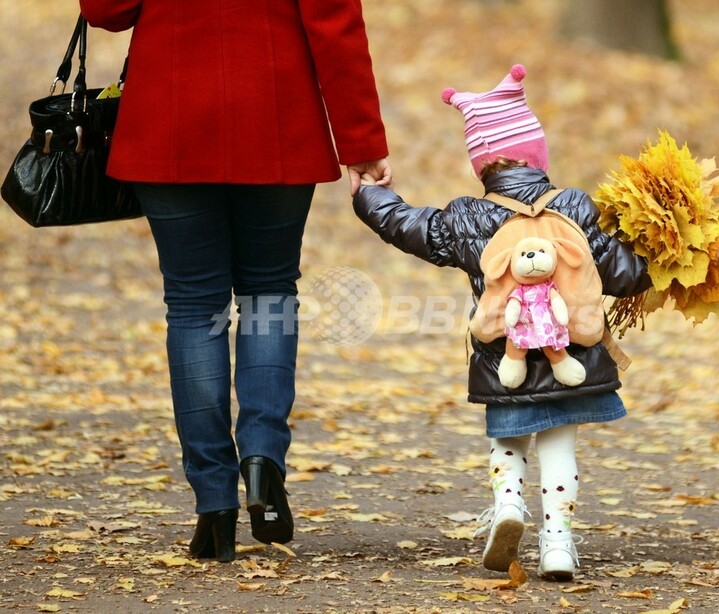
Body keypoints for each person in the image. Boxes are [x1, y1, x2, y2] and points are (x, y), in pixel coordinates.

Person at [80, 0, 391, 563]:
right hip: (277, 117)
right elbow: (335, 24)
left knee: (193, 305)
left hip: (169, 119)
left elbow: (104, 10)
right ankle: (263, 460)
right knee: (269, 293)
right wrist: (361, 141)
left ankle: (214, 505)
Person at [353, 65, 649, 581]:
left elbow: (408, 226)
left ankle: (509, 504)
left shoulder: (468, 217)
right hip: (573, 356)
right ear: (538, 155)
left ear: (481, 167)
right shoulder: (576, 206)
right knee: (559, 446)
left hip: (502, 359)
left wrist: (369, 195)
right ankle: (558, 545)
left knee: (508, 441)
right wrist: (658, 254)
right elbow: (624, 275)